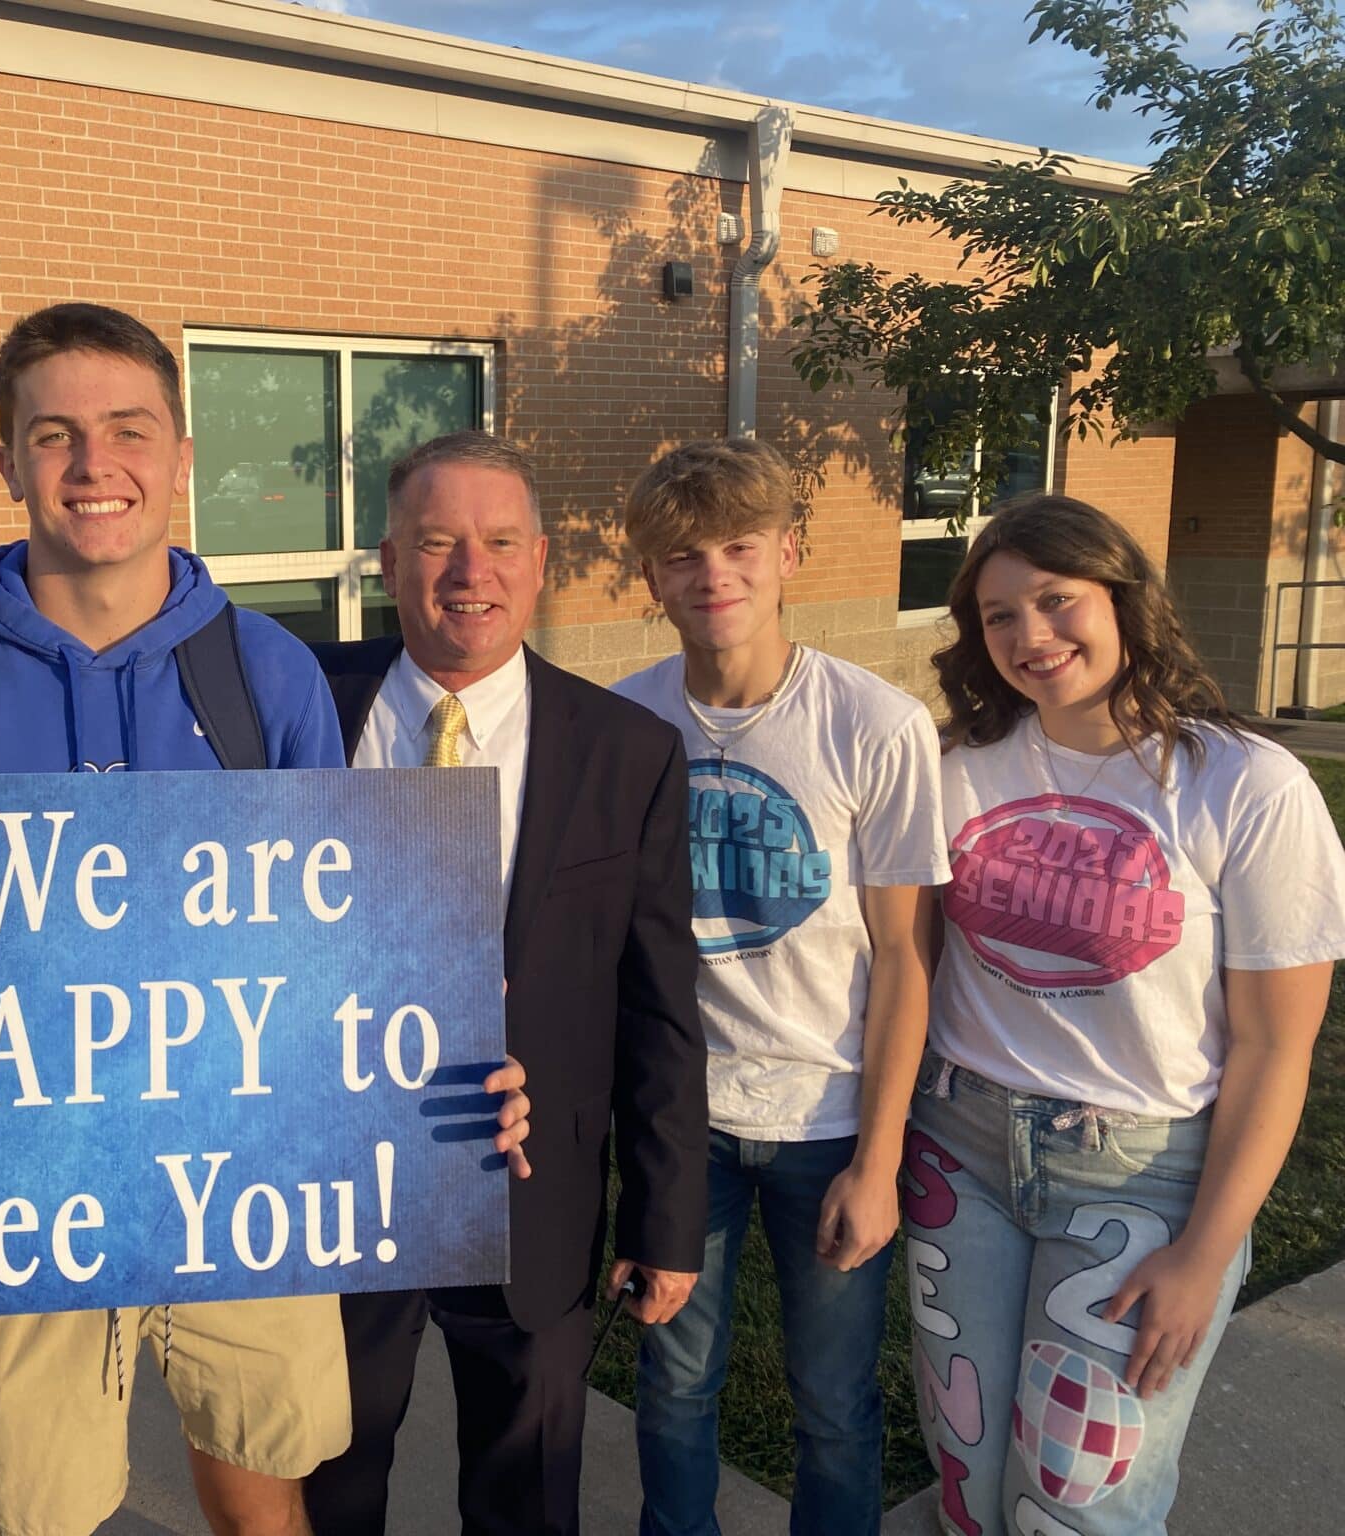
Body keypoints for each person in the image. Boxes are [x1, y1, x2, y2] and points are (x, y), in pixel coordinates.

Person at [0, 303, 529, 1536]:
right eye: (54, 433)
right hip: (13, 1185)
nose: (92, 465)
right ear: (6, 457)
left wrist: (442, 1061)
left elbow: (332, 939)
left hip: (242, 1166)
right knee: (41, 1508)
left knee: (259, 1483)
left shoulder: (264, 674)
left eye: (127, 429)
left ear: (179, 454)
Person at [908, 494, 1345, 1536]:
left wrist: (1206, 1251)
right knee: (965, 1474)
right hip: (958, 1146)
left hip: (1138, 1173)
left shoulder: (1245, 786)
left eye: (1054, 602)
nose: (1028, 637)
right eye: (997, 617)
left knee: (1076, 1500)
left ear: (1123, 597)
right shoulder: (957, 767)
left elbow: (1276, 1045)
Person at [300, 430, 706, 1536]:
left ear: (539, 564)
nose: (467, 574)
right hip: (332, 1186)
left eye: (496, 544)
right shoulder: (290, 714)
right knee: (326, 1481)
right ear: (385, 563)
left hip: (535, 1192)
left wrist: (666, 1216)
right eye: (436, 543)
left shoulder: (626, 750)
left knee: (525, 1494)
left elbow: (658, 1002)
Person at [610, 437, 947, 1536]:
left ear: (788, 554)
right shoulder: (622, 724)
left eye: (739, 546)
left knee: (835, 1406)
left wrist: (879, 1156)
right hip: (681, 1123)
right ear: (648, 576)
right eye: (682, 553)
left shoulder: (873, 726)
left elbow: (903, 958)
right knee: (672, 1387)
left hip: (827, 1118)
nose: (714, 573)